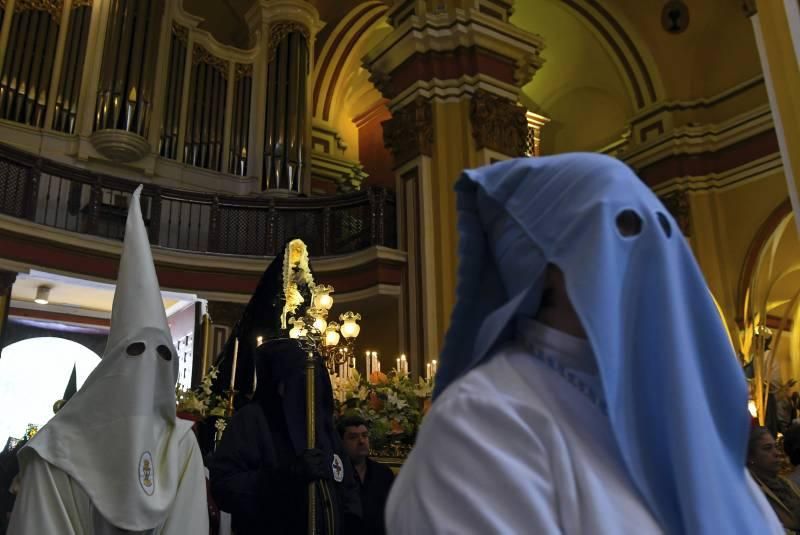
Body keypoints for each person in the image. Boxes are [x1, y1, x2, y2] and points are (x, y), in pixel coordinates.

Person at [386, 153, 781, 533]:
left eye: (662, 229)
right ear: (545, 266)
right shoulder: (483, 423)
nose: (654, 253)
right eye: (624, 229)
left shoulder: (673, 410)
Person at [7, 186, 209, 534]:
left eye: (162, 354)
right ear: (113, 363)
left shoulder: (181, 444)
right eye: (135, 352)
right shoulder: (57, 447)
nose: (147, 370)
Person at [209, 240, 362, 534]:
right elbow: (226, 485)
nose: (310, 386)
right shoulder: (254, 421)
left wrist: (352, 518)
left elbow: (347, 484)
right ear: (281, 382)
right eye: (302, 378)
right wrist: (285, 477)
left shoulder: (323, 425)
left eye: (316, 377)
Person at [338, 415, 394, 535]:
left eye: (364, 435)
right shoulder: (337, 474)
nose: (361, 441)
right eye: (353, 437)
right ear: (341, 442)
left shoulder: (383, 474)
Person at [749, 426, 800, 532]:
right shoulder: (751, 491)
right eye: (767, 448)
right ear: (751, 457)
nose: (777, 453)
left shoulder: (787, 483)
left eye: (776, 447)